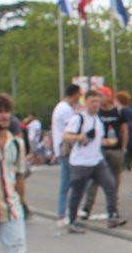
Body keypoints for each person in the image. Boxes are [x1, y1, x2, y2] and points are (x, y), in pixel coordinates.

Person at [0, 94, 46, 253]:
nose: (4, 115)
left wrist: (23, 204)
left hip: (11, 210)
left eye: (6, 110)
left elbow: (18, 177)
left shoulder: (16, 144)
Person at [64, 90, 126, 232]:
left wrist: (108, 142)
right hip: (81, 162)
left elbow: (97, 140)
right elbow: (66, 135)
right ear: (85, 102)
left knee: (110, 184)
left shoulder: (97, 120)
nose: (95, 104)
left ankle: (113, 216)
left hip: (96, 160)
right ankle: (72, 221)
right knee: (77, 192)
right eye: (92, 101)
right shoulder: (79, 118)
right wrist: (78, 137)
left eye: (97, 101)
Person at [79, 86, 125, 221]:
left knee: (113, 181)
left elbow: (124, 130)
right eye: (97, 97)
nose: (99, 99)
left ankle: (113, 209)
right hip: (99, 151)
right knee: (94, 180)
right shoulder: (96, 113)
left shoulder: (119, 112)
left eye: (102, 96)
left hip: (116, 149)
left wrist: (123, 147)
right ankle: (87, 207)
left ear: (109, 97)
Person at [51, 83, 82, 226]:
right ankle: (64, 213)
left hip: (62, 149)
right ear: (74, 94)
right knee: (70, 182)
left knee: (70, 182)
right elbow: (71, 130)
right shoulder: (65, 109)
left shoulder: (61, 107)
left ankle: (66, 212)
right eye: (79, 94)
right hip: (66, 149)